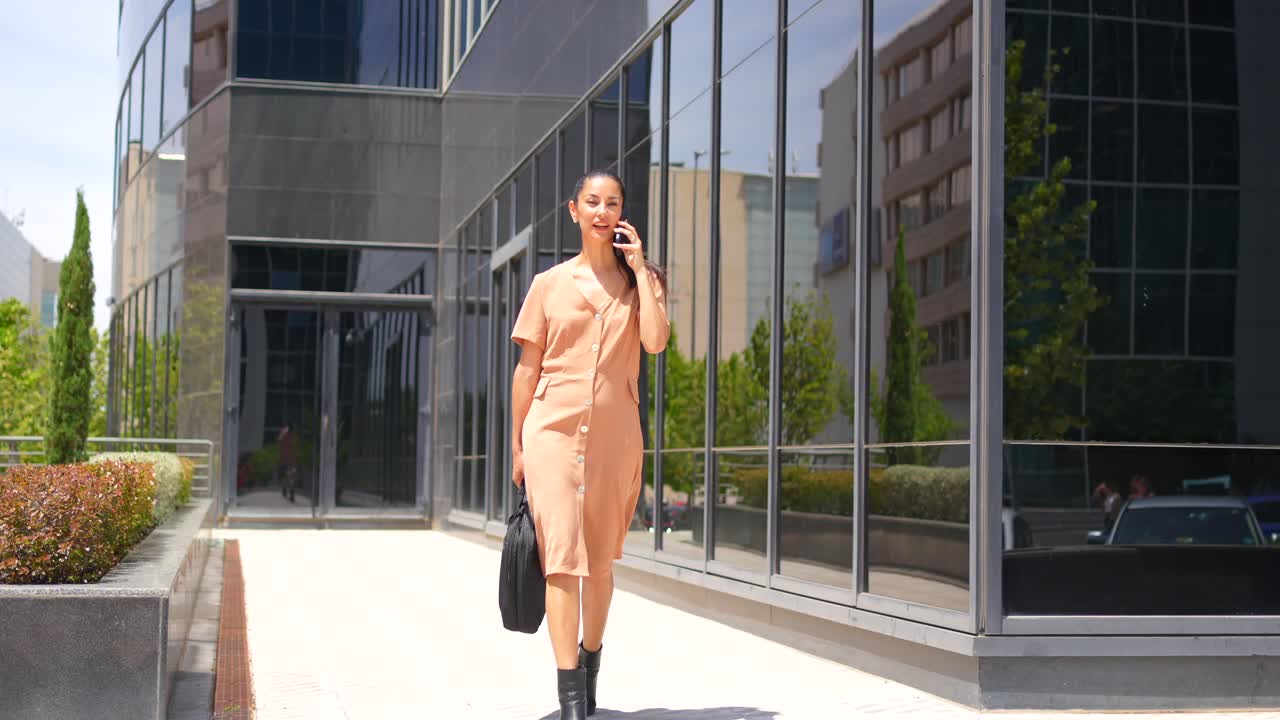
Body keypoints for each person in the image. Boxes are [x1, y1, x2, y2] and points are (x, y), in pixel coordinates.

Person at [509, 170, 670, 719]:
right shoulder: (548, 285)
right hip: (550, 435)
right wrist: (517, 447)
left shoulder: (640, 284)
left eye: (613, 203)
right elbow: (526, 372)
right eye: (592, 202)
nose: (602, 211)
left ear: (623, 214)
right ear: (573, 210)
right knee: (560, 563)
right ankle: (571, 699)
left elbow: (655, 342)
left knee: (597, 565)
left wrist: (643, 269)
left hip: (615, 442)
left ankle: (591, 660)